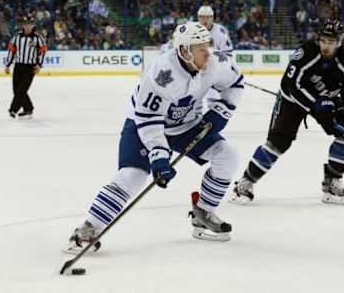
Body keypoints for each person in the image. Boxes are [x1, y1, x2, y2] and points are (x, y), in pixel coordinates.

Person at [65, 22, 245, 253]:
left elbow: (235, 83)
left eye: (207, 46)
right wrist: (159, 157)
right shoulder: (162, 74)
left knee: (227, 156)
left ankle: (203, 213)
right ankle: (89, 228)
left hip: (187, 124)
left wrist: (220, 112)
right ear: (184, 51)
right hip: (144, 123)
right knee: (134, 175)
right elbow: (149, 119)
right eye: (201, 48)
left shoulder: (215, 62)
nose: (207, 53)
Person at [231, 18, 344, 206]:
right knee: (278, 142)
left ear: (340, 41)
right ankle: (245, 183)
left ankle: (332, 182)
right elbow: (291, 84)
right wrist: (316, 105)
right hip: (292, 99)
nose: (326, 46)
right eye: (324, 41)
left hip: (329, 99)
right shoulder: (305, 53)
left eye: (332, 42)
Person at [4, 14, 47, 119]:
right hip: (18, 66)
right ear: (22, 25)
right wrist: (8, 64)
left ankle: (13, 110)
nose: (28, 26)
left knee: (22, 90)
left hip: (30, 68)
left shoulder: (38, 38)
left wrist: (39, 65)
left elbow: (43, 51)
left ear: (33, 25)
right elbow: (11, 51)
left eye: (30, 24)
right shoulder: (16, 37)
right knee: (16, 90)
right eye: (26, 24)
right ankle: (28, 108)